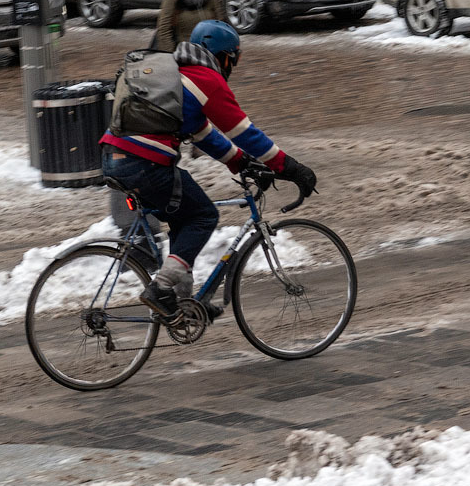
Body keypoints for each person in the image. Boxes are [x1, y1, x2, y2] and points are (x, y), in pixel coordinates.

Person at [101, 20, 317, 322]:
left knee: (183, 215)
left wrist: (241, 162)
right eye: (234, 59)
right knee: (204, 215)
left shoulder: (176, 78)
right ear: (225, 57)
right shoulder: (206, 80)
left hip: (115, 157)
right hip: (144, 164)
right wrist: (290, 167)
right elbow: (244, 132)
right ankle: (161, 288)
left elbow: (206, 135)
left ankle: (182, 304)